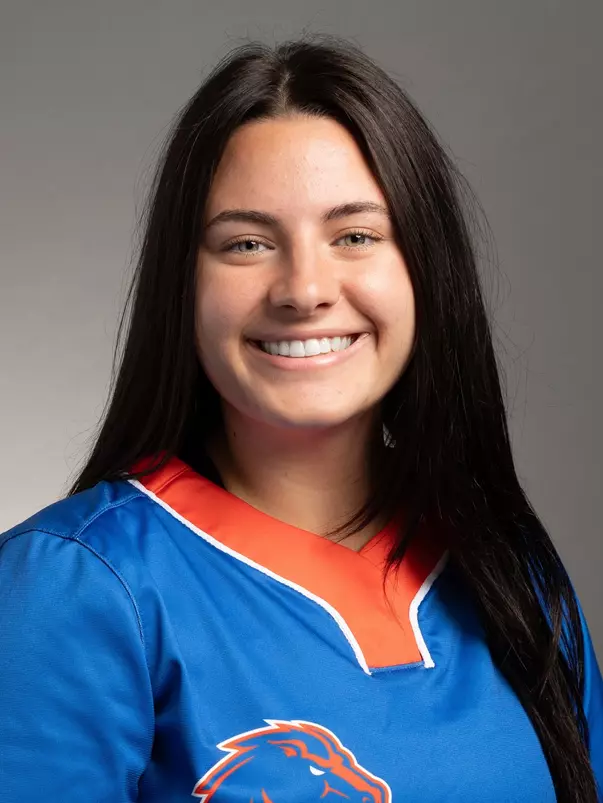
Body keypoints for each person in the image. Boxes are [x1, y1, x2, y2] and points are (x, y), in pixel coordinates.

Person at [0, 35, 601, 802]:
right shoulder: (73, 588)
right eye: (246, 243)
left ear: (424, 266)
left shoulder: (510, 568)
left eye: (355, 235)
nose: (304, 288)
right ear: (182, 284)